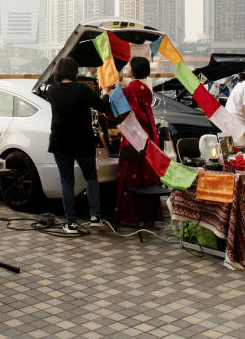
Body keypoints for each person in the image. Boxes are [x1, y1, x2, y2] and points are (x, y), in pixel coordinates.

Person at [46, 57, 112, 233]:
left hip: (60, 141)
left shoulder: (52, 91)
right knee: (90, 177)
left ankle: (71, 223)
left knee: (66, 181)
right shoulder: (82, 89)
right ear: (75, 72)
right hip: (83, 140)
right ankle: (95, 217)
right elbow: (103, 106)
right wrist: (105, 91)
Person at [114, 56, 162, 225]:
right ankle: (148, 214)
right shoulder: (144, 86)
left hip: (133, 134)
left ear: (133, 70)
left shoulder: (132, 88)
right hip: (146, 133)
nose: (127, 69)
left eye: (128, 66)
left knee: (132, 172)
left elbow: (119, 109)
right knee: (145, 173)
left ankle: (131, 215)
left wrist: (111, 89)